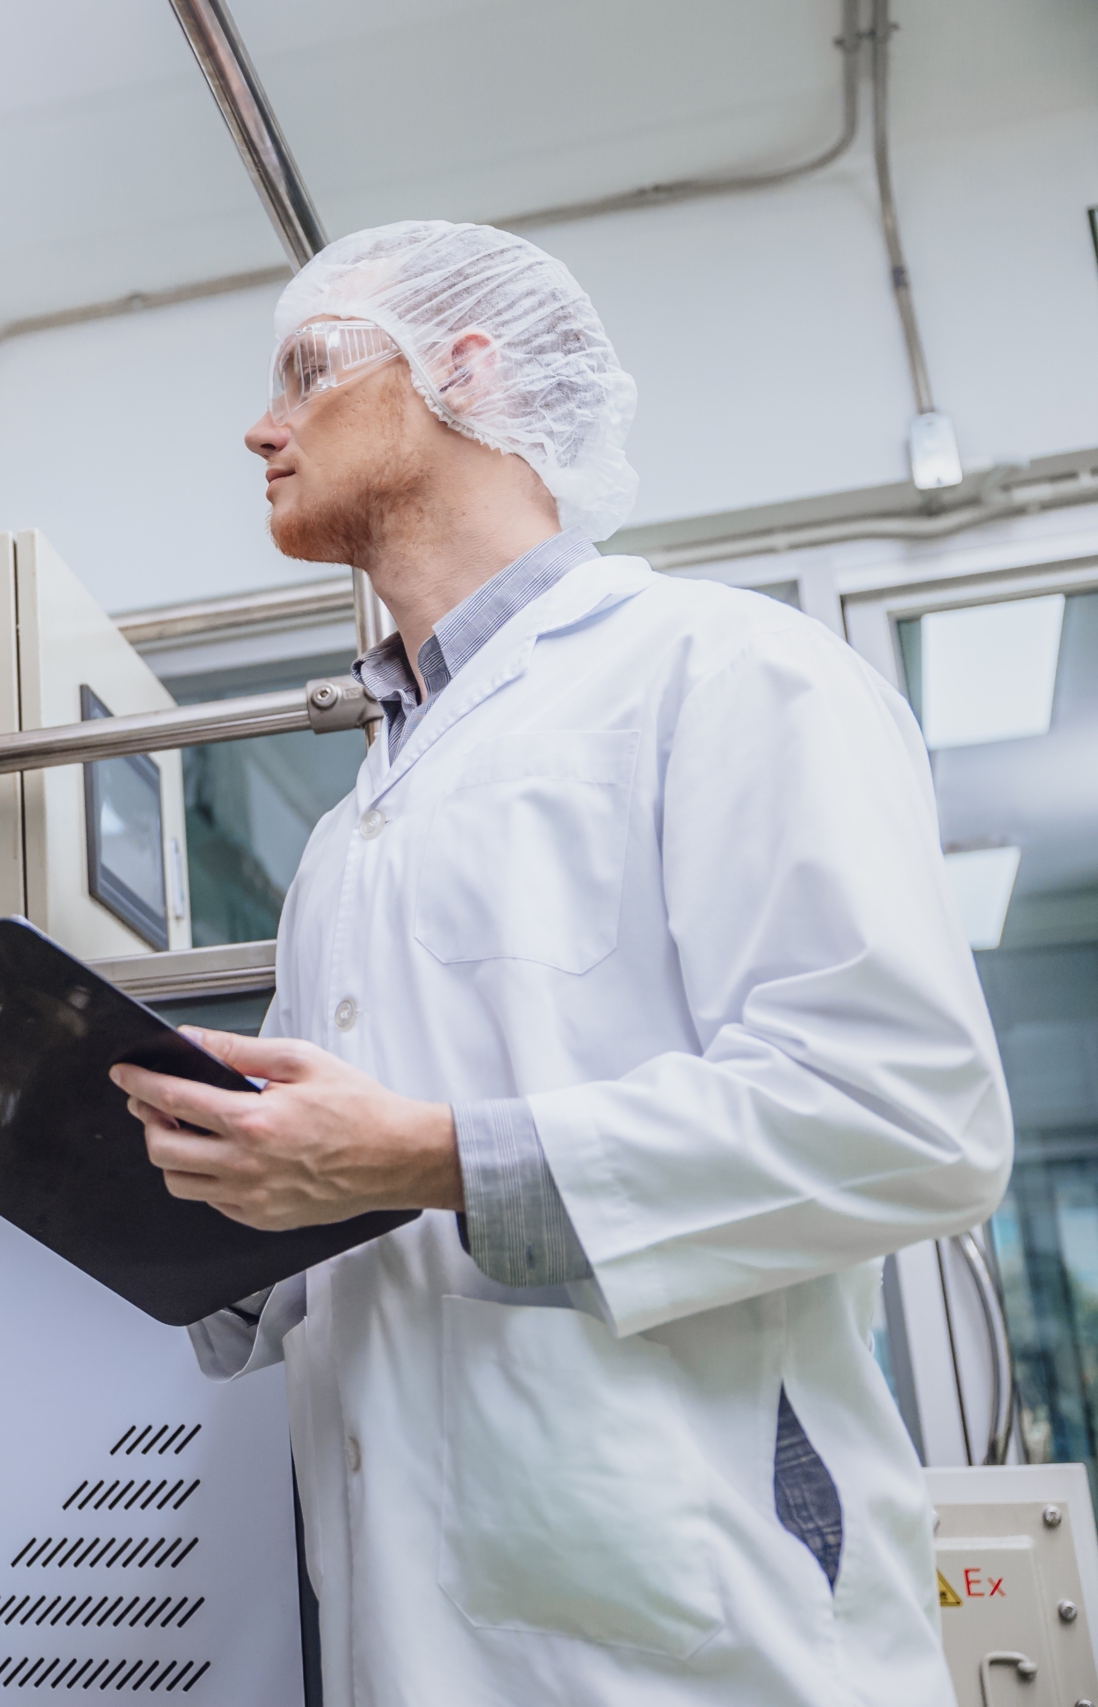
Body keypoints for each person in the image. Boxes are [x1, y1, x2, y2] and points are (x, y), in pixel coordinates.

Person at [111, 220, 1010, 1705]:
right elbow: (352, 1213)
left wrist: (426, 1153)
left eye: (309, 368)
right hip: (411, 1635)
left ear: (470, 369)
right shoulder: (356, 828)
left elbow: (909, 1118)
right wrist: (192, 1207)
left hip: (705, 1636)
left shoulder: (721, 676)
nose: (260, 426)